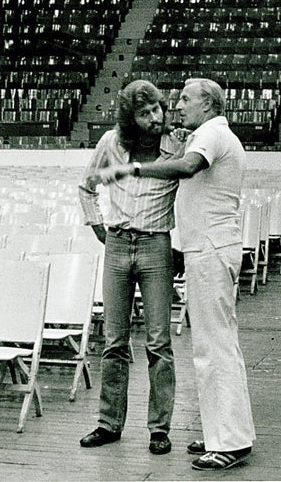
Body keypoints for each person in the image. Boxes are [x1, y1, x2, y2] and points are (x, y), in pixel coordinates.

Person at [94, 78, 256, 471]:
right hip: (205, 249)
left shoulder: (212, 136)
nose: (178, 106)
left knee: (214, 348)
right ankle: (224, 432)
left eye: (186, 99)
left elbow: (186, 167)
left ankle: (230, 442)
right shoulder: (209, 132)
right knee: (213, 347)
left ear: (209, 105)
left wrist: (137, 168)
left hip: (212, 250)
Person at [77, 79, 183, 456]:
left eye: (157, 108)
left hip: (157, 245)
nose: (155, 117)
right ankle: (109, 424)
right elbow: (87, 186)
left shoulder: (178, 145)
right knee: (114, 342)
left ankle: (159, 428)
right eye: (145, 113)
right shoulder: (112, 143)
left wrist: (181, 244)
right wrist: (97, 226)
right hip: (118, 244)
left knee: (159, 343)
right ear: (130, 119)